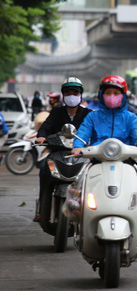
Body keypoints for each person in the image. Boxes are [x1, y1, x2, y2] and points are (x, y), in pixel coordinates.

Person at [33, 77, 93, 222]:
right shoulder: (56, 112)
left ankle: (94, 208)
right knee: (43, 170)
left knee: (94, 175)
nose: (71, 95)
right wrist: (41, 136)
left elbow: (96, 132)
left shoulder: (89, 114)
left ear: (80, 95)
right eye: (68, 92)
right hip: (58, 153)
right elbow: (45, 128)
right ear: (63, 95)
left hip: (82, 154)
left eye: (75, 92)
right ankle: (42, 208)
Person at [71, 75, 137, 157]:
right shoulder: (92, 116)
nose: (112, 96)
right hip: (97, 158)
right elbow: (83, 133)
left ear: (123, 96)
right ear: (101, 95)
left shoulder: (131, 118)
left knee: (136, 170)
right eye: (108, 93)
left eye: (116, 93)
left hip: (125, 159)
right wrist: (78, 146)